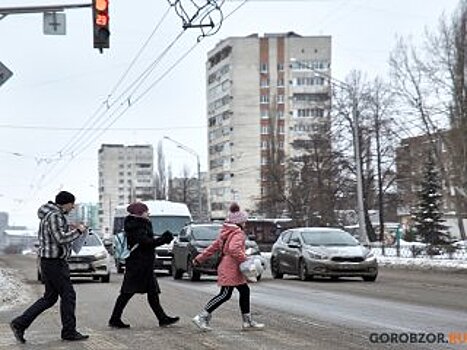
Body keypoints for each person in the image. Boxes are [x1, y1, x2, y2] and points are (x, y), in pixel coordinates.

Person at [10, 191, 89, 343]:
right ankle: (69, 332)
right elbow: (60, 239)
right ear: (65, 203)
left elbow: (57, 235)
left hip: (51, 262)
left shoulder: (55, 216)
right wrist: (78, 231)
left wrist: (69, 227)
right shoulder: (54, 216)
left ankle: (20, 324)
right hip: (54, 263)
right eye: (72, 204)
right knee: (68, 295)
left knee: (50, 298)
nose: (72, 208)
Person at [192, 202, 264, 331]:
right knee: (225, 294)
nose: (245, 224)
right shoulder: (238, 233)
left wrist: (199, 259)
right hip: (230, 268)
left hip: (231, 267)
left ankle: (247, 321)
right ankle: (202, 316)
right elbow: (234, 249)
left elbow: (213, 247)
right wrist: (245, 259)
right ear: (239, 222)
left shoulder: (226, 232)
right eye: (244, 221)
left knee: (244, 291)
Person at [108, 201, 179, 329]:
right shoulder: (137, 226)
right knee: (127, 292)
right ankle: (115, 318)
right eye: (146, 211)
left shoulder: (137, 224)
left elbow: (146, 242)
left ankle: (162, 318)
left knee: (152, 292)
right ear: (140, 213)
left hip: (143, 265)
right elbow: (146, 243)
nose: (148, 213)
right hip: (138, 265)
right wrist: (164, 239)